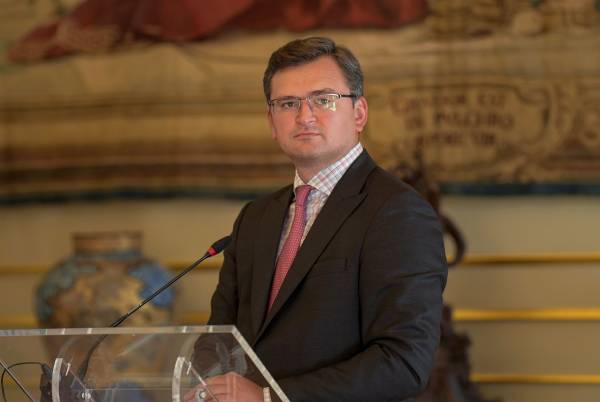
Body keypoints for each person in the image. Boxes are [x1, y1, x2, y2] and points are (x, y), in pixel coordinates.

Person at [191, 37, 447, 402]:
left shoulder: (398, 212)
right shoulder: (255, 218)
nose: (304, 116)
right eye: (288, 104)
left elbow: (404, 362)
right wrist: (208, 387)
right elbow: (218, 338)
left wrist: (268, 397)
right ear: (272, 122)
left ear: (359, 113)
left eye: (323, 99)